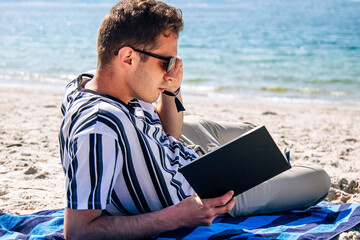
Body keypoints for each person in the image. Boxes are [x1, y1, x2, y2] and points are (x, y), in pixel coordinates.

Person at [59, 0, 331, 239]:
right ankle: (256, 168)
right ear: (127, 58)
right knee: (318, 179)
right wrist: (177, 217)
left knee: (253, 133)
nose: (171, 72)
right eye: (166, 63)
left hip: (172, 148)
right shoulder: (99, 129)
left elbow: (170, 134)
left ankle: (243, 161)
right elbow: (80, 230)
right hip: (199, 193)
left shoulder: (95, 81)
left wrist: (172, 91)